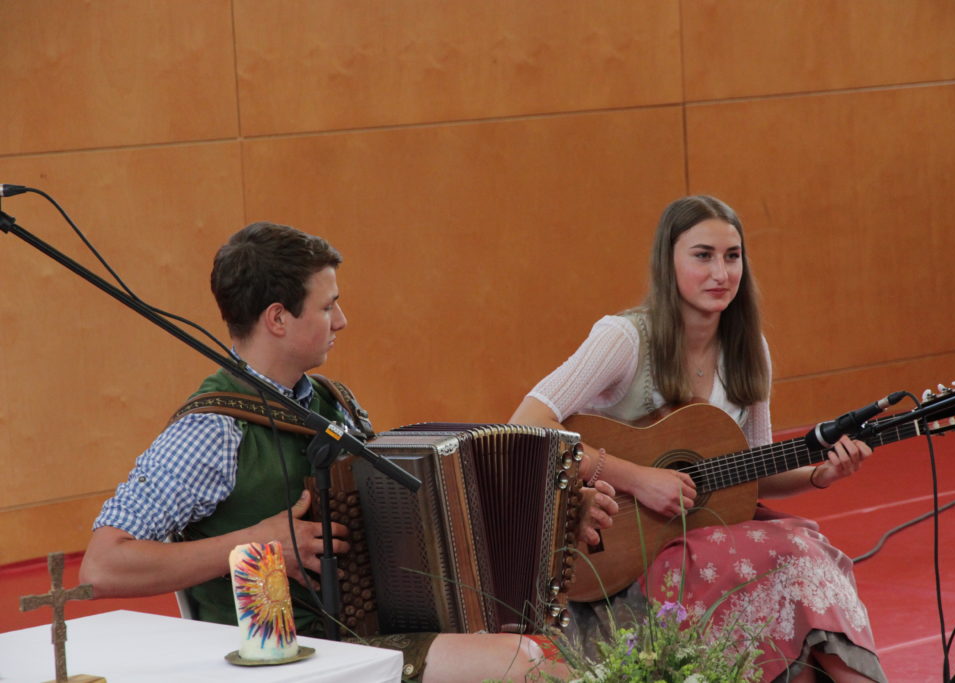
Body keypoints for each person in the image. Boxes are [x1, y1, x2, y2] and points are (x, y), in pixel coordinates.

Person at [80, 221, 568, 683]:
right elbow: (103, 567)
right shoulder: (211, 430)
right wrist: (255, 543)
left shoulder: (335, 403)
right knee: (520, 663)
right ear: (277, 318)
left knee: (535, 645)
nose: (342, 320)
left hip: (360, 635)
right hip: (284, 653)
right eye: (327, 306)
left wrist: (552, 517)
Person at [509, 196, 886, 682]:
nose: (721, 273)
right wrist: (638, 478)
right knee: (793, 555)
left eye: (733, 256)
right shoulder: (625, 339)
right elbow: (528, 424)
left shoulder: (749, 349)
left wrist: (819, 474)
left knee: (805, 562)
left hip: (712, 537)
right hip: (621, 552)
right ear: (668, 261)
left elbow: (751, 469)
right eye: (703, 256)